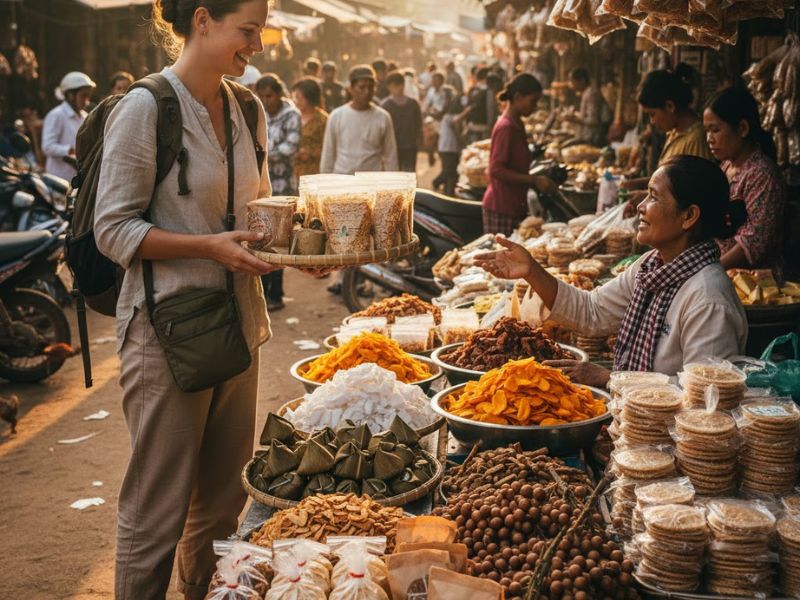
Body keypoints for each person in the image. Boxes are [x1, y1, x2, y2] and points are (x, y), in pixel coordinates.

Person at [93, 1, 280, 597]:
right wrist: (210, 248)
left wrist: (304, 244)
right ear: (203, 20)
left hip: (239, 325)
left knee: (222, 505)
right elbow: (113, 228)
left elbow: (259, 211)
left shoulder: (249, 109)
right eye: (247, 31)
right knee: (157, 513)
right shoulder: (146, 107)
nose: (257, 46)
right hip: (166, 333)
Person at [476, 155, 747, 385]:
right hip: (633, 419)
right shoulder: (651, 266)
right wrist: (531, 270)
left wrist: (611, 378)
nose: (640, 206)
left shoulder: (709, 300)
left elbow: (705, 395)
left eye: (653, 197)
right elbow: (591, 311)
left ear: (688, 216)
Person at [703, 87, 785, 275]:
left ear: (742, 128)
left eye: (715, 130)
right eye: (707, 131)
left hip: (753, 279)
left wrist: (712, 270)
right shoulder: (725, 167)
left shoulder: (762, 175)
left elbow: (752, 241)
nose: (709, 139)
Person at [482, 74, 556, 235]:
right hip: (502, 206)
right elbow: (496, 170)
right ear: (517, 97)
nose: (535, 107)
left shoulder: (517, 123)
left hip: (514, 204)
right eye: (532, 101)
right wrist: (534, 180)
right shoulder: (506, 127)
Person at [256, 73, 300, 311]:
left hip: (284, 187)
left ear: (279, 94)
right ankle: (263, 292)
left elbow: (289, 147)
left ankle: (276, 294)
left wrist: (263, 155)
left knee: (280, 241)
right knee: (262, 239)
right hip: (261, 187)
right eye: (262, 96)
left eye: (269, 96)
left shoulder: (292, 115)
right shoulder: (258, 112)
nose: (266, 101)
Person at [320, 64, 398, 175]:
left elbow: (391, 156)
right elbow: (328, 154)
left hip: (372, 180)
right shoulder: (336, 116)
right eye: (361, 87)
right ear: (351, 88)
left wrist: (393, 181)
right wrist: (326, 179)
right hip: (343, 178)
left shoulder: (383, 117)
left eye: (370, 87)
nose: (367, 91)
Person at [41, 71, 95, 181]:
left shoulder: (85, 117)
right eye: (83, 96)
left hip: (77, 180)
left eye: (88, 96)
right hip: (57, 181)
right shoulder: (56, 115)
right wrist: (69, 150)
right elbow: (47, 147)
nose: (86, 101)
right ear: (70, 95)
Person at [382, 70, 422, 173]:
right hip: (392, 147)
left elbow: (418, 125)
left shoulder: (413, 104)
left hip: (410, 146)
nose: (398, 88)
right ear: (389, 87)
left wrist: (418, 140)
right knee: (394, 174)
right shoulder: (385, 106)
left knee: (409, 174)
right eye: (395, 85)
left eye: (400, 84)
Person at [292, 76, 328, 179]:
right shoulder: (292, 116)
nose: (296, 101)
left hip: (313, 174)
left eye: (299, 98)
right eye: (294, 98)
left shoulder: (323, 120)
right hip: (291, 173)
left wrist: (310, 153)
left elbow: (329, 148)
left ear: (310, 98)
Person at [570, 67, 612, 147]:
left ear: (582, 80)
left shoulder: (591, 93)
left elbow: (593, 121)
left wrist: (573, 120)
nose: (572, 85)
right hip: (588, 136)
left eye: (573, 82)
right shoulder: (587, 92)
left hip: (592, 137)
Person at [433, 86, 464, 197]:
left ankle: (447, 192)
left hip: (445, 147)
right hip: (449, 148)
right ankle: (438, 184)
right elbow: (456, 127)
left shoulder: (446, 116)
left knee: (449, 171)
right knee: (450, 172)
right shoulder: (450, 116)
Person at [464, 66, 491, 145]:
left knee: (473, 148)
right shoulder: (488, 90)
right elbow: (490, 109)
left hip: (472, 125)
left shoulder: (472, 90)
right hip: (484, 126)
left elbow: (467, 107)